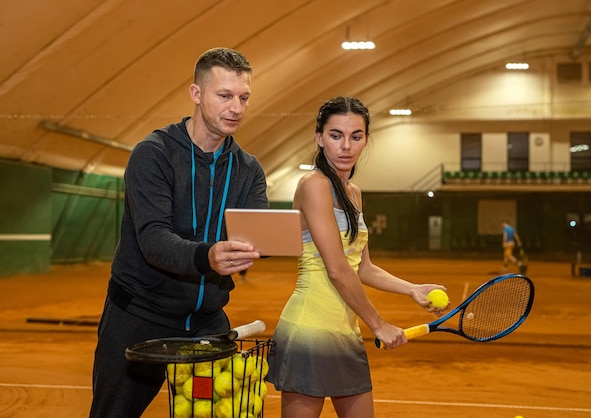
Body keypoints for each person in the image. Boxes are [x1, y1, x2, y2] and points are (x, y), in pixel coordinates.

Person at [89, 47, 269, 418]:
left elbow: (257, 233)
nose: (236, 107)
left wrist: (259, 247)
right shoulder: (152, 155)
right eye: (225, 95)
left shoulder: (249, 169)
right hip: (139, 315)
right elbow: (153, 239)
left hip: (207, 320)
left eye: (243, 97)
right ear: (196, 94)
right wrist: (208, 256)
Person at [266, 96, 449, 418]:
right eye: (336, 135)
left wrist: (412, 289)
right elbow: (336, 269)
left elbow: (362, 267)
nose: (346, 146)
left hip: (344, 331)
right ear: (319, 138)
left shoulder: (354, 192)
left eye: (356, 136)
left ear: (366, 139)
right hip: (310, 327)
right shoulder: (314, 185)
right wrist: (378, 324)